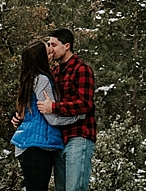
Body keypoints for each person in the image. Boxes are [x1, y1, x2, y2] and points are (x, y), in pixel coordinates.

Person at [11, 41, 86, 190]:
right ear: (41, 58)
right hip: (36, 146)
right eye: (48, 51)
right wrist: (78, 116)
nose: (52, 51)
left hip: (32, 144)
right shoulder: (42, 80)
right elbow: (52, 117)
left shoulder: (31, 78)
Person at [38, 29, 97, 191]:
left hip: (79, 135)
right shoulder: (55, 72)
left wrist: (54, 108)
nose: (50, 48)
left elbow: (85, 104)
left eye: (54, 45)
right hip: (59, 138)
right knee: (61, 189)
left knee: (74, 189)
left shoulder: (82, 69)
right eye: (49, 45)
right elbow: (40, 94)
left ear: (67, 46)